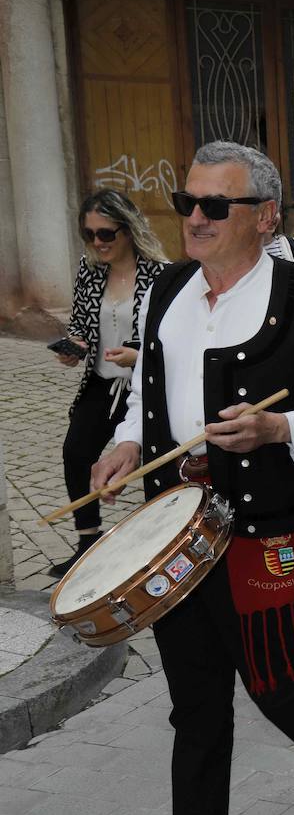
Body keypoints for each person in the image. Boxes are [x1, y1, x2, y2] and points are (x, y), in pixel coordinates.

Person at [90, 140, 294, 815]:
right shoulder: (166, 292)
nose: (194, 217)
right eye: (185, 202)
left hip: (262, 533)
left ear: (264, 216)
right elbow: (150, 395)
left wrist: (281, 427)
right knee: (194, 705)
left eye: (214, 205)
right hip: (174, 535)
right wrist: (127, 442)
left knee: (280, 688)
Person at [50, 189, 169, 577]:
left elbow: (172, 340)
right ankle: (88, 543)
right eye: (89, 234)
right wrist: (75, 348)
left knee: (154, 465)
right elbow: (81, 326)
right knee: (76, 454)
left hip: (144, 386)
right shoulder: (90, 271)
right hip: (101, 384)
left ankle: (164, 545)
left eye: (106, 234)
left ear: (128, 228)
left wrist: (140, 357)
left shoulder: (160, 273)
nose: (97, 243)